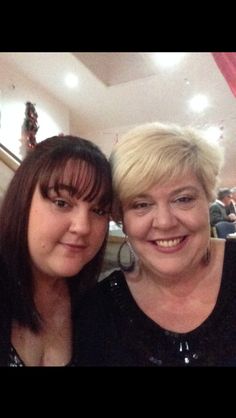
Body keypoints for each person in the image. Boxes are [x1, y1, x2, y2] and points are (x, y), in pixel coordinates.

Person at [75, 121, 236, 367]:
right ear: (121, 217)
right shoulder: (96, 311)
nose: (164, 222)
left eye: (183, 199)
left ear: (208, 200)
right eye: (141, 204)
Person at [0, 135, 112, 366]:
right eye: (61, 203)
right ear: (23, 201)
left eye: (99, 210)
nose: (82, 227)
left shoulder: (98, 306)